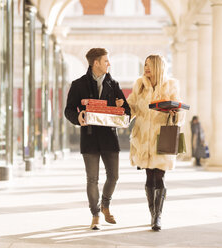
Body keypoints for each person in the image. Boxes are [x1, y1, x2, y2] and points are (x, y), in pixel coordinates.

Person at [64, 48, 131, 230]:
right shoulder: (78, 85)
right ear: (96, 63)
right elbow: (68, 110)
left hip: (110, 137)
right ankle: (95, 214)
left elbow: (127, 113)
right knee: (92, 179)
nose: (109, 64)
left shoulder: (114, 84)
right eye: (106, 61)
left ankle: (105, 204)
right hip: (90, 137)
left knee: (114, 176)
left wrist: (122, 108)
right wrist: (77, 118)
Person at [127, 55, 185, 231]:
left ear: (158, 67)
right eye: (145, 65)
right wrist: (121, 108)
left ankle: (157, 216)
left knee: (159, 176)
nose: (146, 68)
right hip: (143, 138)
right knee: (149, 176)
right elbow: (132, 108)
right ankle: (152, 213)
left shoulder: (171, 85)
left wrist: (175, 111)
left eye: (150, 65)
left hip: (162, 138)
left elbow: (180, 112)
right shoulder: (139, 85)